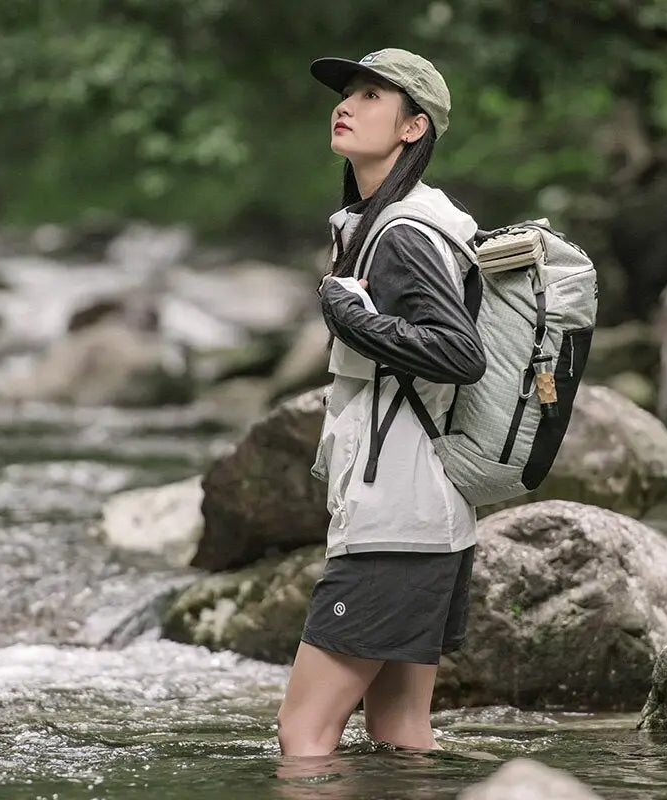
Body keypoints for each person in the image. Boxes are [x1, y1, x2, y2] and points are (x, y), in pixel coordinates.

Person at [276, 48, 486, 758]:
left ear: (412, 127)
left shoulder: (400, 234)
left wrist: (349, 315)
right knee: (399, 731)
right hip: (428, 518)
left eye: (372, 96)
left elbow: (460, 354)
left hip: (396, 522)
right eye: (348, 93)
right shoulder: (392, 221)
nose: (347, 104)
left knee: (303, 733)